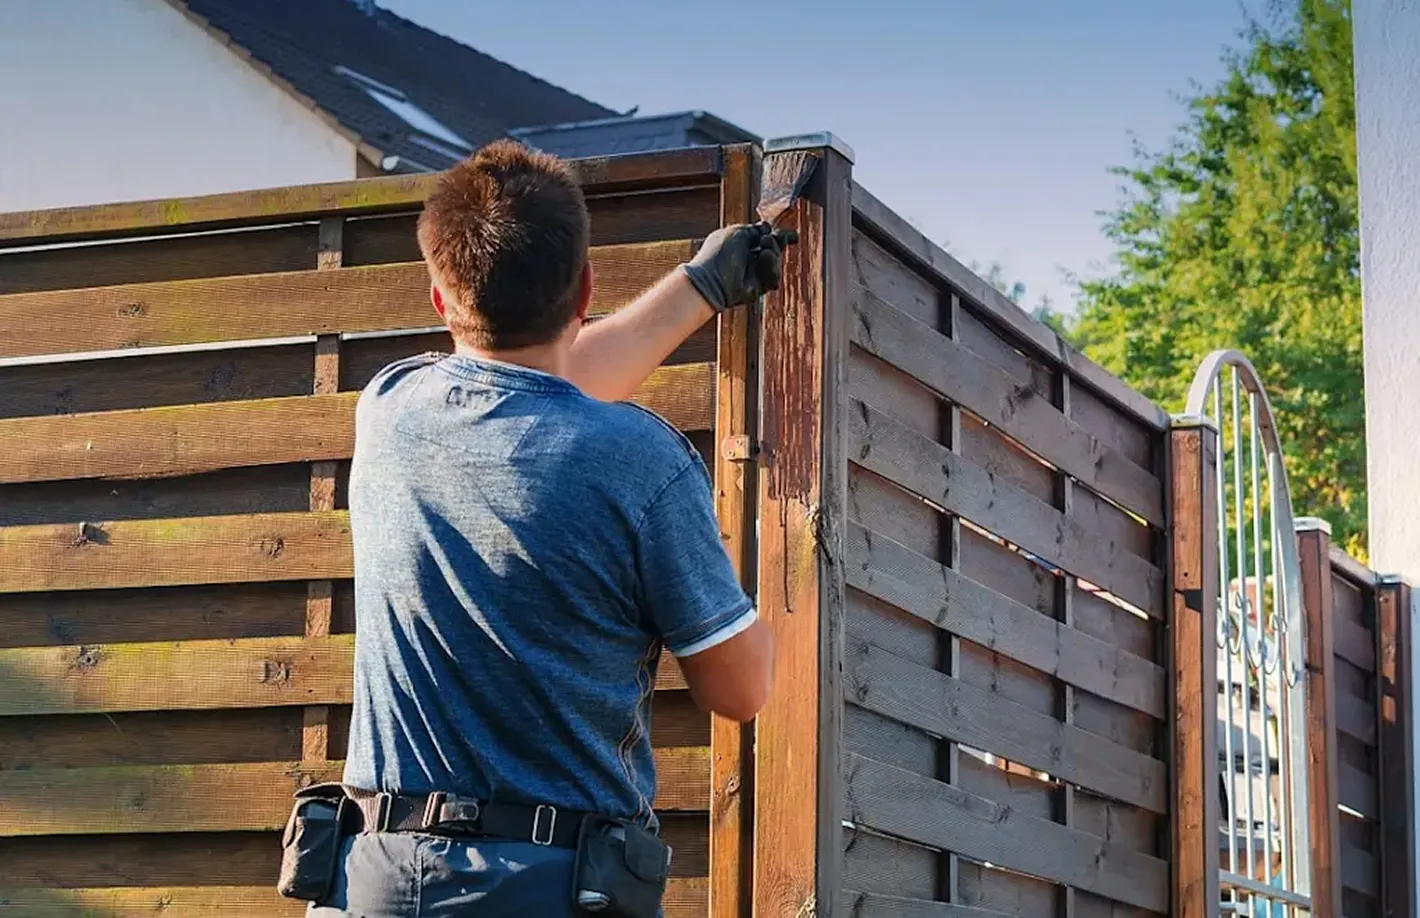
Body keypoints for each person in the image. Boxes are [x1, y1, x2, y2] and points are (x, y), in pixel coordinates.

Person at [293, 139, 782, 917]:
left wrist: (698, 289)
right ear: (586, 285)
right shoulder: (640, 463)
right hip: (551, 887)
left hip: (372, 879)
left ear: (439, 299)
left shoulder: (389, 409)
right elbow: (741, 688)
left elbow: (528, 391)